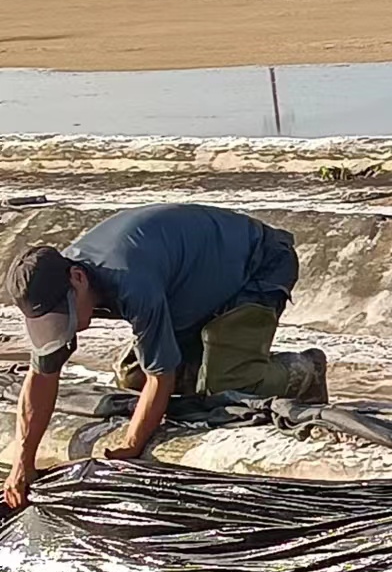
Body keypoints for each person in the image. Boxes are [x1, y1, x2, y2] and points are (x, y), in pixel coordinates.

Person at [6, 203, 327, 507]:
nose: (64, 325)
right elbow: (41, 378)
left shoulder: (130, 281)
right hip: (190, 287)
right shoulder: (62, 281)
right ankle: (214, 359)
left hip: (259, 264)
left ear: (78, 278)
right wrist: (23, 462)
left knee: (226, 385)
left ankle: (306, 369)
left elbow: (161, 378)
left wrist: (132, 444)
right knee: (132, 376)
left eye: (65, 314)